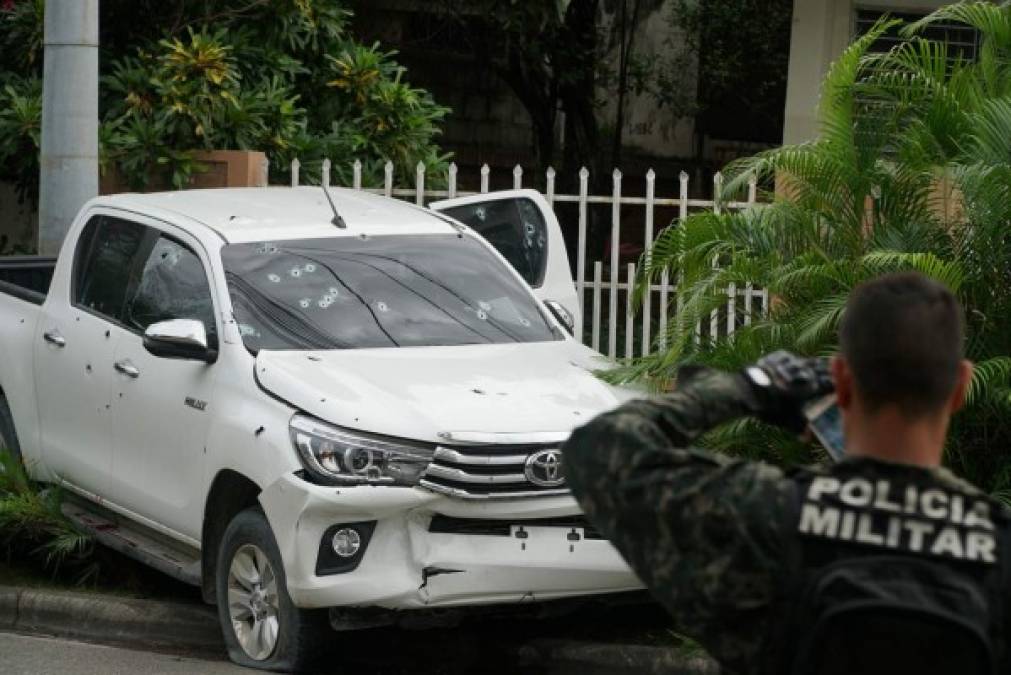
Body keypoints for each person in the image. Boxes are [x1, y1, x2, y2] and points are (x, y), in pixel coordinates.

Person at [563, 272, 1010, 674]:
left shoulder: (763, 513)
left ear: (841, 379)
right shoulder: (997, 547)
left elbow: (597, 449)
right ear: (961, 386)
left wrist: (745, 388)